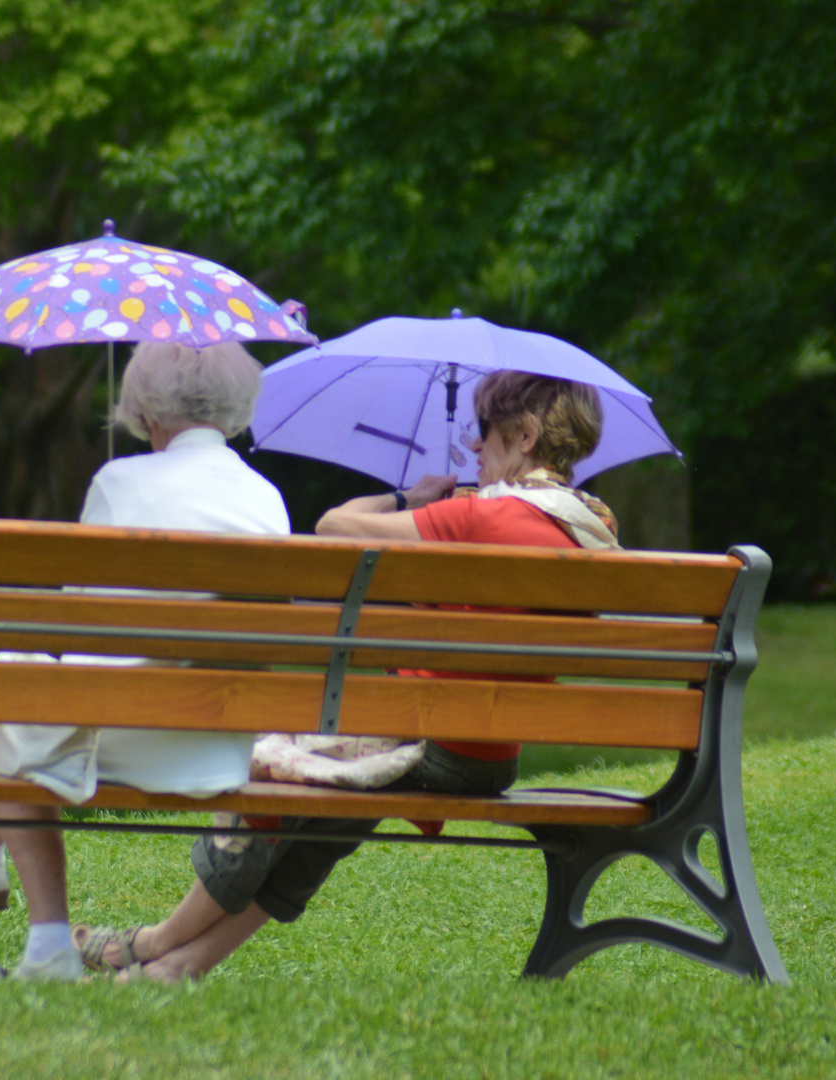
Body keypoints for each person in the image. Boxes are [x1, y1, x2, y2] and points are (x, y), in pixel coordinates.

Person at [81, 370, 619, 982]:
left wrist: (407, 500)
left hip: (432, 743)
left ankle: (154, 942)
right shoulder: (590, 535)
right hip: (488, 755)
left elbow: (334, 528)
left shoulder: (481, 519)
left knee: (278, 769)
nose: (474, 447)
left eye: (486, 432)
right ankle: (181, 965)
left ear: (524, 435)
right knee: (333, 812)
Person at [0, 340, 290, 981]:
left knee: (14, 682)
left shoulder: (118, 480)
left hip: (116, 740)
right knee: (24, 687)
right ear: (235, 405)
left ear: (145, 409)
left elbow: (82, 632)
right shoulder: (266, 499)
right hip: (223, 747)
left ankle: (38, 929)